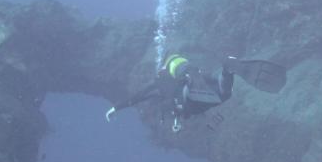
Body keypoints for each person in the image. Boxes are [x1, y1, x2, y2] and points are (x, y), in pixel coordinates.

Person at [105, 54, 286, 133]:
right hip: (202, 90)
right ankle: (227, 70)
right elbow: (208, 79)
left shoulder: (160, 82)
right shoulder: (191, 69)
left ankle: (226, 70)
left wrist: (115, 108)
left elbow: (139, 97)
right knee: (224, 93)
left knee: (204, 97)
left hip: (189, 100)